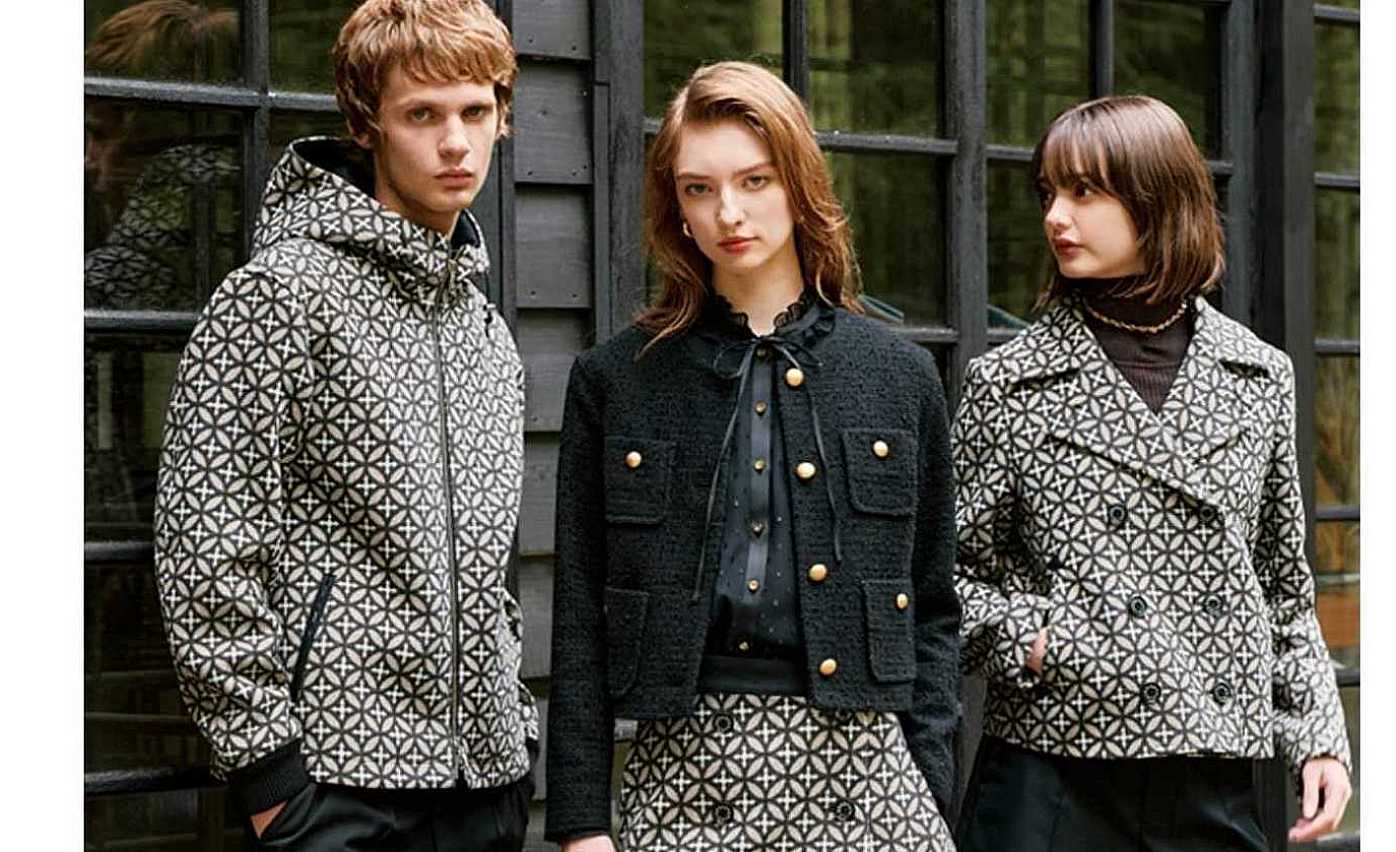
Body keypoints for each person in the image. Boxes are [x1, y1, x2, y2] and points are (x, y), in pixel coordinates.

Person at [545, 61, 961, 852]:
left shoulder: (900, 377)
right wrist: (581, 823)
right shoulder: (617, 380)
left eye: (754, 180)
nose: (727, 212)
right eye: (698, 189)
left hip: (868, 784)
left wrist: (931, 789)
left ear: (799, 184)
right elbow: (580, 614)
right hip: (685, 777)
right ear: (676, 206)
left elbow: (934, 607)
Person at [153, 1, 538, 848]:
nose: (455, 143)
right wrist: (272, 780)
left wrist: (515, 721)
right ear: (368, 125)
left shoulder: (483, 332)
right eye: (422, 115)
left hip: (484, 787)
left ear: (502, 116)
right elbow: (206, 548)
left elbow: (485, 564)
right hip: (335, 787)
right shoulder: (278, 296)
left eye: (475, 112)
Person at [952, 95, 1352, 851]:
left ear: (1157, 199)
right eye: (1048, 193)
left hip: (1211, 772)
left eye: (1084, 192)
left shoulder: (1259, 375)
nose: (1055, 218)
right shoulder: (1008, 384)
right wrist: (1042, 642)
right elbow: (945, 581)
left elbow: (1281, 585)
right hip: (1052, 771)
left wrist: (1318, 736)